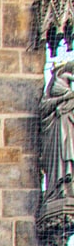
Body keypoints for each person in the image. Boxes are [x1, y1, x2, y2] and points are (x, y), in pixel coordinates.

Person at [43, 61, 74, 203]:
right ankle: (60, 188)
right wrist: (63, 99)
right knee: (62, 160)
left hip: (68, 133)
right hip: (58, 133)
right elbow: (44, 108)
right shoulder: (54, 91)